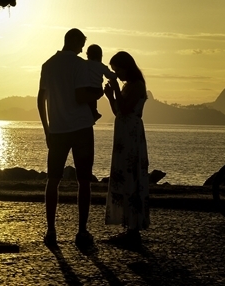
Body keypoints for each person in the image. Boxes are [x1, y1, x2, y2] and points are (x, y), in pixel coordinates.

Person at [38, 28, 104, 248]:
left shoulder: (47, 65)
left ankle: (51, 231)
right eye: (82, 45)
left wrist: (46, 129)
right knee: (84, 181)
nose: (82, 49)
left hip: (56, 129)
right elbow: (80, 95)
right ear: (74, 42)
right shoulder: (80, 65)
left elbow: (40, 100)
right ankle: (82, 231)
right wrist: (99, 93)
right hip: (81, 127)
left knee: (53, 180)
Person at [103, 50, 150, 246]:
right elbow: (117, 111)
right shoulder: (129, 86)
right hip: (124, 134)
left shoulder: (137, 86)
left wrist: (114, 89)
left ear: (126, 67)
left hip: (130, 134)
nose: (117, 75)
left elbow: (124, 109)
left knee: (131, 175)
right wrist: (110, 97)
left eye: (118, 70)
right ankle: (128, 227)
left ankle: (133, 229)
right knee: (124, 175)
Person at [84, 44, 115, 121]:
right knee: (93, 101)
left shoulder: (84, 64)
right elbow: (109, 75)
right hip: (97, 88)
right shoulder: (101, 66)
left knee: (90, 102)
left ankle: (93, 113)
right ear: (100, 56)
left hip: (86, 88)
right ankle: (94, 113)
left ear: (88, 55)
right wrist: (116, 75)